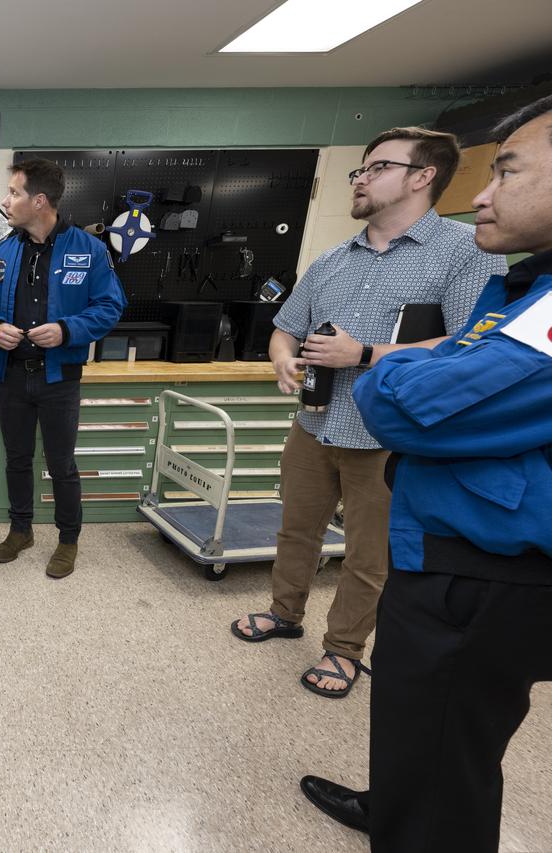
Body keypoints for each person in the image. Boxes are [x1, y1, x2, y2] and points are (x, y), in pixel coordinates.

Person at [302, 95, 552, 853]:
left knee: (446, 744)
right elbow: (447, 361)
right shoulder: (521, 286)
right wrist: (425, 361)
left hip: (487, 569)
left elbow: (412, 408)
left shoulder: (487, 272)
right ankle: (396, 804)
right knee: (424, 726)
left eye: (507, 172)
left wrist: (374, 364)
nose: (483, 194)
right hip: (449, 545)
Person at [231, 127, 506, 697]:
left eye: (378, 167)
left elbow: (472, 344)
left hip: (389, 437)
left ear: (423, 176)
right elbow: (286, 328)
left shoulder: (465, 252)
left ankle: (344, 650)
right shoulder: (333, 260)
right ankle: (284, 613)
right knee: (296, 531)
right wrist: (283, 360)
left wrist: (363, 354)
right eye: (360, 169)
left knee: (369, 553)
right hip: (315, 424)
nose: (360, 179)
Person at [0, 159, 125, 579]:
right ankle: (21, 530)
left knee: (61, 464)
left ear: (39, 201)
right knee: (17, 459)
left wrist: (67, 330)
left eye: (13, 193)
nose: (6, 201)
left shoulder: (89, 250)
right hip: (13, 376)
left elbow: (110, 306)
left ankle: (68, 540)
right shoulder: (4, 251)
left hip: (59, 379)